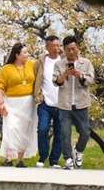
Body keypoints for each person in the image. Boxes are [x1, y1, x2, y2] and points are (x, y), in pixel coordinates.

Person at [53, 35, 95, 169]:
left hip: (81, 104)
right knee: (65, 133)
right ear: (64, 50)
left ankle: (78, 150)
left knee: (85, 132)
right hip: (64, 105)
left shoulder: (86, 63)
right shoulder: (59, 64)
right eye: (68, 49)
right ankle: (68, 159)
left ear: (78, 48)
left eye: (73, 49)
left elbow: (91, 80)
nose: (71, 52)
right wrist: (65, 74)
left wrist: (80, 76)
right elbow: (56, 82)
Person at [0, 42, 38, 168]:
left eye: (27, 52)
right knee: (11, 128)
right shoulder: (7, 69)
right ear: (17, 55)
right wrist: (0, 103)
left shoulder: (32, 65)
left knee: (24, 129)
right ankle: (8, 158)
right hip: (11, 102)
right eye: (24, 53)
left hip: (28, 103)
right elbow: (0, 86)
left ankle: (20, 160)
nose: (27, 55)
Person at [33, 35, 62, 168]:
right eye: (53, 46)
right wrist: (37, 96)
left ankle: (54, 160)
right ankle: (43, 156)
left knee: (60, 133)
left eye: (58, 45)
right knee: (43, 129)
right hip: (45, 103)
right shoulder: (40, 62)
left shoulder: (64, 61)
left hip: (62, 104)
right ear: (47, 47)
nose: (56, 48)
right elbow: (35, 79)